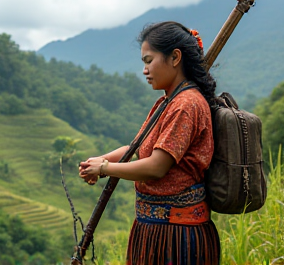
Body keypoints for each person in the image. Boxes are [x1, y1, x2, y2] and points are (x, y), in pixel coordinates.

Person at [79, 21, 220, 265]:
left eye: (148, 60)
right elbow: (136, 150)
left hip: (177, 235)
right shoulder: (167, 102)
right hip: (156, 230)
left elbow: (156, 166)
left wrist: (104, 168)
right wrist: (100, 160)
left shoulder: (186, 105)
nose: (145, 70)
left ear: (175, 57)